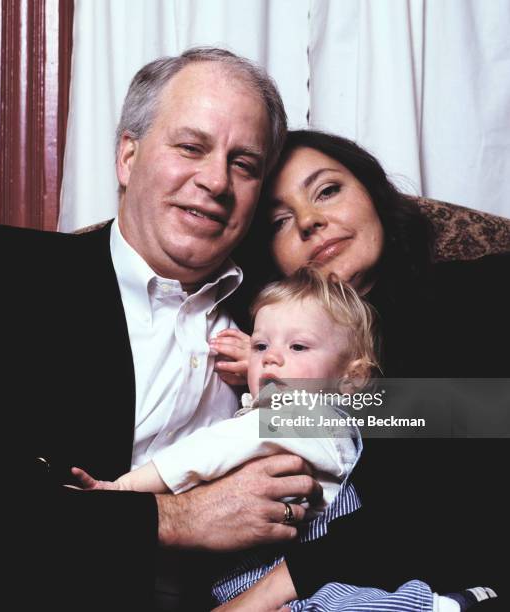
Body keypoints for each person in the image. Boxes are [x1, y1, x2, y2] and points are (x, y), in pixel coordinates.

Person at [0, 48, 325, 611]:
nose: (216, 181)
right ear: (128, 156)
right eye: (191, 147)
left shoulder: (283, 317)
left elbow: (448, 419)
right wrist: (177, 517)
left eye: (244, 164)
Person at [70, 268, 497, 612]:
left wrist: (121, 493)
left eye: (297, 346)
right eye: (260, 345)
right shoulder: (322, 421)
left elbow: (202, 454)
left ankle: (438, 606)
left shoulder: (298, 419)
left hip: (305, 585)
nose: (272, 357)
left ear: (351, 380)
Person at [216, 129, 509, 609]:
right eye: (279, 221)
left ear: (372, 193)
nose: (310, 221)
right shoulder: (276, 367)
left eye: (327, 191)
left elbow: (482, 420)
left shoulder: (487, 288)